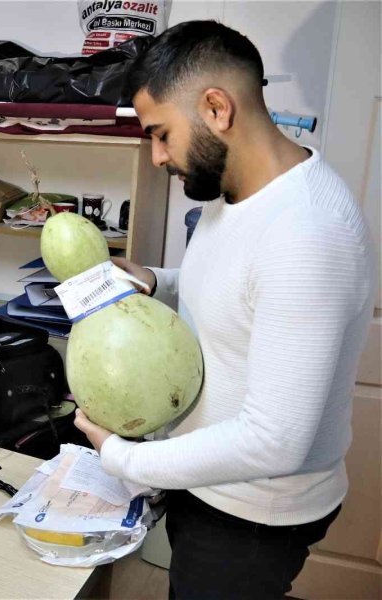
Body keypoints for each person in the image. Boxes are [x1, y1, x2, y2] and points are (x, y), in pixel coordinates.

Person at [72, 20, 377, 599]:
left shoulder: (309, 232)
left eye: (161, 134)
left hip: (254, 514)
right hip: (210, 485)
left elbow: (275, 441)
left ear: (216, 108)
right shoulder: (236, 191)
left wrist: (123, 460)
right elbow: (247, 294)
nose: (158, 157)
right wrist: (157, 281)